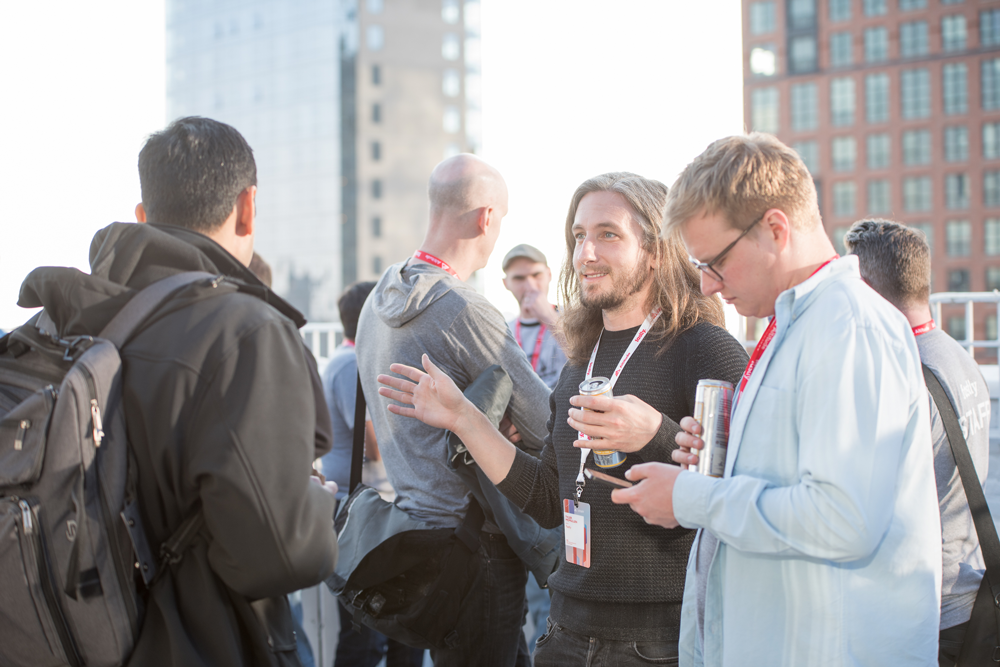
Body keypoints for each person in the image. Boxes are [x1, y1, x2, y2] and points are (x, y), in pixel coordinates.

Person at [377, 172, 749, 665]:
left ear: (657, 250)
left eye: (607, 234)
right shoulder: (581, 361)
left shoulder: (706, 349)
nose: (586, 253)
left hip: (659, 640)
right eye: (579, 236)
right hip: (565, 630)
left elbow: (737, 490)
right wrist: (465, 419)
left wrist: (654, 434)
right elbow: (551, 499)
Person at [18, 116, 339, 666]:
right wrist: (318, 504)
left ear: (143, 216)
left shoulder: (54, 323)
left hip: (69, 637)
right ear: (247, 206)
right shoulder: (245, 332)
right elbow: (276, 558)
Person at [612, 134, 941, 666]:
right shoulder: (796, 326)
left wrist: (692, 497)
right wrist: (720, 468)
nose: (706, 286)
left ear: (774, 228)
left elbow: (844, 519)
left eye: (714, 262)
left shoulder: (847, 328)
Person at [354, 153, 553, 666]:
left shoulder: (376, 302)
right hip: (478, 543)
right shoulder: (462, 309)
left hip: (421, 534)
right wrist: (497, 425)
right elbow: (545, 422)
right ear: (487, 218)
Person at [845, 219, 991, 666]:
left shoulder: (899, 374)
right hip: (964, 593)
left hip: (922, 615)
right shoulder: (956, 354)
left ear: (865, 286)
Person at [321, 280, 424, 667]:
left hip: (366, 511)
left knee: (396, 626)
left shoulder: (342, 359)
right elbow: (374, 442)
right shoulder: (351, 365)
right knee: (364, 633)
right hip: (363, 515)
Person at [502, 243, 568, 389]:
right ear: (506, 283)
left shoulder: (573, 315)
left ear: (549, 274)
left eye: (536, 275)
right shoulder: (504, 332)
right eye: (519, 278)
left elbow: (589, 361)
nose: (530, 286)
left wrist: (549, 318)